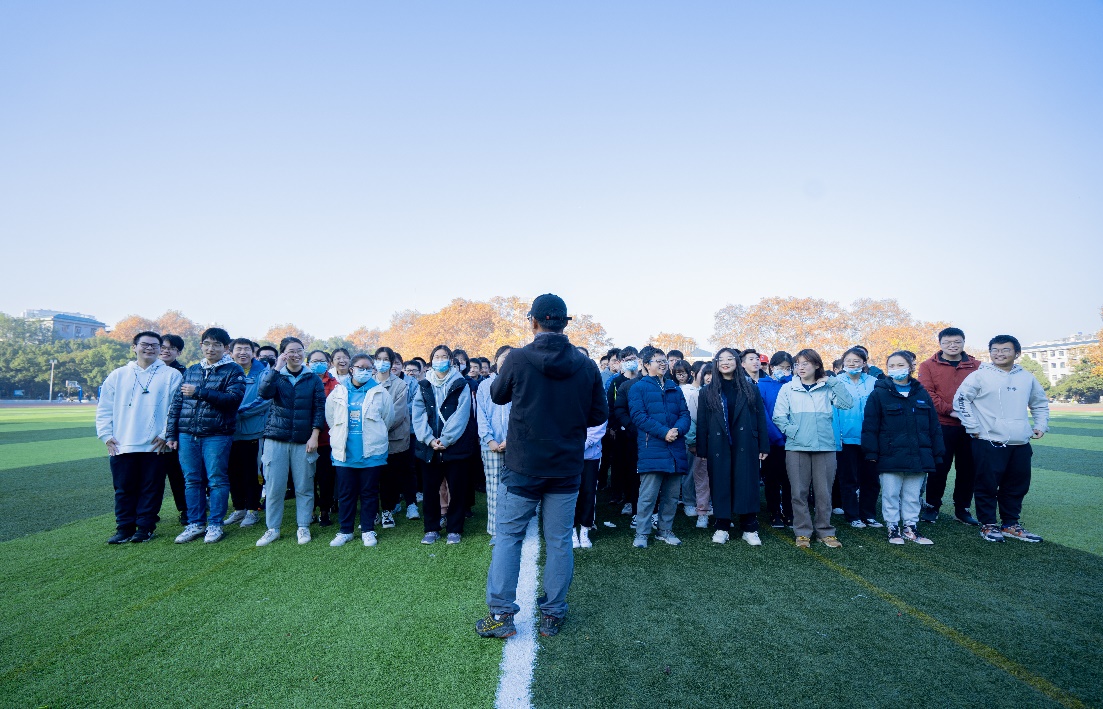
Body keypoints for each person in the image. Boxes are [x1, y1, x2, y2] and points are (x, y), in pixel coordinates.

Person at [477, 293, 607, 639]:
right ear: (565, 322)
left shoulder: (518, 358)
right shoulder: (586, 365)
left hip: (524, 465)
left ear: (533, 321)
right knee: (560, 540)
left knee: (508, 538)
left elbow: (497, 395)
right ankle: (552, 613)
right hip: (565, 466)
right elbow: (598, 414)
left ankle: (501, 614)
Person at [953, 335, 1049, 543]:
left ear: (1017, 353)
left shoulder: (1027, 377)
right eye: (995, 350)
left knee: (1017, 485)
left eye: (1005, 349)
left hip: (1020, 442)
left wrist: (1041, 425)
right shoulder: (979, 376)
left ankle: (1010, 524)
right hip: (988, 440)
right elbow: (961, 400)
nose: (999, 353)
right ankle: (988, 524)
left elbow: (1039, 402)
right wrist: (972, 426)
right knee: (986, 485)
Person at [97, 331, 184, 543]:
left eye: (155, 345)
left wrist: (165, 434)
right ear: (134, 347)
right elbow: (104, 407)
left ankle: (145, 528)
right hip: (123, 442)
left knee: (151, 489)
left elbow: (176, 408)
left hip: (156, 444)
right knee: (123, 489)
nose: (150, 348)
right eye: (145, 344)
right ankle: (124, 528)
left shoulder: (172, 375)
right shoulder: (118, 375)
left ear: (159, 349)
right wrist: (106, 435)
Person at [167, 327, 246, 544]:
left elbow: (233, 400)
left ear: (226, 348)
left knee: (216, 479)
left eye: (217, 345)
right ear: (201, 345)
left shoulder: (234, 370)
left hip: (217, 434)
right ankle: (195, 523)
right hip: (187, 434)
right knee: (192, 480)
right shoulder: (192, 370)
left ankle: (215, 524)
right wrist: (171, 433)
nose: (211, 349)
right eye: (207, 344)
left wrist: (199, 392)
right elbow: (177, 403)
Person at [772, 349, 854, 549]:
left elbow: (847, 403)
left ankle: (825, 531)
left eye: (806, 363)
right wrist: (794, 432)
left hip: (825, 446)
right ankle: (802, 532)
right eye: (798, 364)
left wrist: (833, 381)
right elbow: (779, 416)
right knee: (798, 492)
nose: (801, 367)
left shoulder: (827, 387)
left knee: (823, 492)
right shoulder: (788, 388)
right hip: (796, 447)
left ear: (817, 365)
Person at [862, 352, 943, 545]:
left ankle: (910, 527)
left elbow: (934, 426)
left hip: (918, 455)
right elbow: (870, 426)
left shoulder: (921, 393)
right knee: (890, 494)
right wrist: (871, 452)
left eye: (900, 365)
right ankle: (892, 527)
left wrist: (938, 453)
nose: (896, 369)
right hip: (890, 455)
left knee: (913, 496)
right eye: (892, 366)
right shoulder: (879, 393)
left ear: (910, 367)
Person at [254, 337, 326, 547]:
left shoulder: (312, 378)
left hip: (303, 440)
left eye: (299, 350)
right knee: (274, 486)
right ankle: (272, 528)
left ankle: (303, 526)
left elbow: (319, 408)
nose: (296, 354)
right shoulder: (275, 375)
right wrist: (276, 368)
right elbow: (264, 393)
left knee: (304, 485)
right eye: (291, 351)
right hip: (276, 438)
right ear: (283, 353)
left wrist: (314, 435)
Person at [698, 348, 770, 545]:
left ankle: (749, 527)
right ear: (716, 364)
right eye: (721, 359)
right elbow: (703, 422)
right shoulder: (707, 391)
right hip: (718, 445)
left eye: (730, 359)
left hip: (746, 442)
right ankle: (722, 525)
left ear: (737, 362)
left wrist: (763, 445)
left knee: (747, 483)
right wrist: (702, 449)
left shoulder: (750, 389)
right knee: (720, 483)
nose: (725, 362)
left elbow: (760, 419)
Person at [325, 354, 396, 546]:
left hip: (371, 452)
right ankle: (345, 530)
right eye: (360, 367)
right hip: (344, 453)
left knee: (369, 493)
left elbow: (387, 420)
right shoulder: (338, 391)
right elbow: (331, 418)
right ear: (351, 369)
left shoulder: (380, 392)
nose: (364, 371)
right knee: (346, 493)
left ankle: (368, 529)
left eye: (368, 368)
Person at [411, 344, 477, 544]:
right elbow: (418, 414)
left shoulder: (461, 384)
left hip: (455, 446)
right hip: (429, 447)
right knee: (430, 490)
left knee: (457, 489)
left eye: (444, 356)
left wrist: (446, 439)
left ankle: (454, 528)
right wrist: (429, 439)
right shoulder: (424, 384)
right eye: (437, 357)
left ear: (451, 360)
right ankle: (431, 528)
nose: (440, 360)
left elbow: (462, 415)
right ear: (431, 361)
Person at [627, 346, 691, 548]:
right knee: (648, 496)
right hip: (652, 448)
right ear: (647, 365)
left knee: (671, 496)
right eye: (658, 361)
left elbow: (685, 415)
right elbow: (638, 416)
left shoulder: (674, 387)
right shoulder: (638, 387)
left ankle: (665, 530)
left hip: (675, 448)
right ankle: (642, 533)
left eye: (665, 360)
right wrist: (664, 433)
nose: (664, 364)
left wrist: (677, 430)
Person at [917, 327, 981, 525]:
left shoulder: (977, 366)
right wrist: (951, 411)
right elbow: (927, 393)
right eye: (947, 342)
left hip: (970, 426)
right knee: (939, 468)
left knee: (967, 469)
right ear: (940, 344)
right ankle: (932, 506)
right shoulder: (928, 365)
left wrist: (967, 414)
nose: (952, 346)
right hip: (941, 424)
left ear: (963, 342)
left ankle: (962, 509)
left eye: (957, 342)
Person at [833, 347, 882, 529]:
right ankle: (852, 515)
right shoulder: (836, 382)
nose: (852, 364)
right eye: (848, 361)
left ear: (864, 362)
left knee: (871, 479)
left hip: (870, 438)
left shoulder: (874, 382)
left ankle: (868, 514)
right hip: (846, 439)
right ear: (843, 363)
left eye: (857, 361)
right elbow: (832, 412)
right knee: (849, 479)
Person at [224, 338, 270, 529]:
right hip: (229, 431)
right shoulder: (226, 371)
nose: (242, 352)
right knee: (232, 472)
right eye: (238, 349)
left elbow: (266, 399)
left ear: (253, 353)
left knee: (252, 472)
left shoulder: (263, 372)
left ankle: (252, 510)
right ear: (231, 352)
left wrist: (239, 412)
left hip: (253, 431)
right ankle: (239, 509)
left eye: (246, 349)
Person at [477, 346, 513, 545]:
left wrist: (510, 439)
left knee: (514, 489)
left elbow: (521, 414)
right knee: (494, 489)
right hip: (490, 446)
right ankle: (496, 531)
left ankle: (513, 528)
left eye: (511, 357)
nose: (506, 360)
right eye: (504, 357)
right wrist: (489, 439)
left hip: (514, 445)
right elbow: (481, 415)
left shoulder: (519, 383)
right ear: (496, 359)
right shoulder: (485, 385)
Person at [373, 347, 411, 531]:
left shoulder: (400, 385)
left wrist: (376, 427)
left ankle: (387, 510)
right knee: (372, 477)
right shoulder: (368, 383)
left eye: (386, 359)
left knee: (389, 478)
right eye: (378, 358)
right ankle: (373, 511)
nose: (382, 362)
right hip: (370, 441)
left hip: (393, 439)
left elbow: (397, 413)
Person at [307, 350, 342, 526]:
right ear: (308, 364)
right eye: (314, 361)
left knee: (326, 477)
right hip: (305, 438)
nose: (318, 364)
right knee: (307, 478)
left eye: (322, 361)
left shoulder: (335, 384)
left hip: (327, 439)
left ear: (328, 364)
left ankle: (325, 510)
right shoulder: (303, 381)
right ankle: (310, 510)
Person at [759, 352, 793, 528]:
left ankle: (789, 511)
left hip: (793, 440)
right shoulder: (762, 385)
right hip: (772, 440)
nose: (784, 371)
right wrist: (777, 437)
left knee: (790, 479)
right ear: (772, 367)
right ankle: (774, 512)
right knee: (772, 478)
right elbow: (762, 414)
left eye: (788, 368)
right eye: (780, 367)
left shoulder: (794, 384)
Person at [607, 346, 642, 516]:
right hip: (622, 430)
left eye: (633, 359)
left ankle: (639, 499)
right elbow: (612, 407)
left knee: (637, 467)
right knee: (623, 465)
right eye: (627, 360)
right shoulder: (616, 382)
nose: (631, 362)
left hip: (640, 430)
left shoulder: (643, 380)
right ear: (621, 362)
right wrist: (614, 427)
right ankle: (626, 498)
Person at [157, 333, 188, 523]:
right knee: (152, 477)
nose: (166, 351)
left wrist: (170, 432)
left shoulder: (184, 373)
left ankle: (185, 509)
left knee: (178, 474)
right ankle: (149, 512)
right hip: (152, 433)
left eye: (171, 348)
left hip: (176, 432)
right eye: (163, 347)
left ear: (179, 352)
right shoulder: (147, 372)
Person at [679, 360, 712, 528]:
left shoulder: (723, 394)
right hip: (699, 443)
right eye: (706, 373)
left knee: (714, 477)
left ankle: (712, 506)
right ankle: (694, 505)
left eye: (713, 374)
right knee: (696, 476)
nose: (709, 377)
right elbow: (691, 420)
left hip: (718, 444)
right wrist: (692, 441)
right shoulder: (695, 394)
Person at [577, 417, 608, 549]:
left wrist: (582, 445)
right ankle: (571, 529)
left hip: (591, 455)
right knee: (570, 492)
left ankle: (585, 528)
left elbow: (601, 421)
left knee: (588, 492)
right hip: (568, 455)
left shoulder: (597, 402)